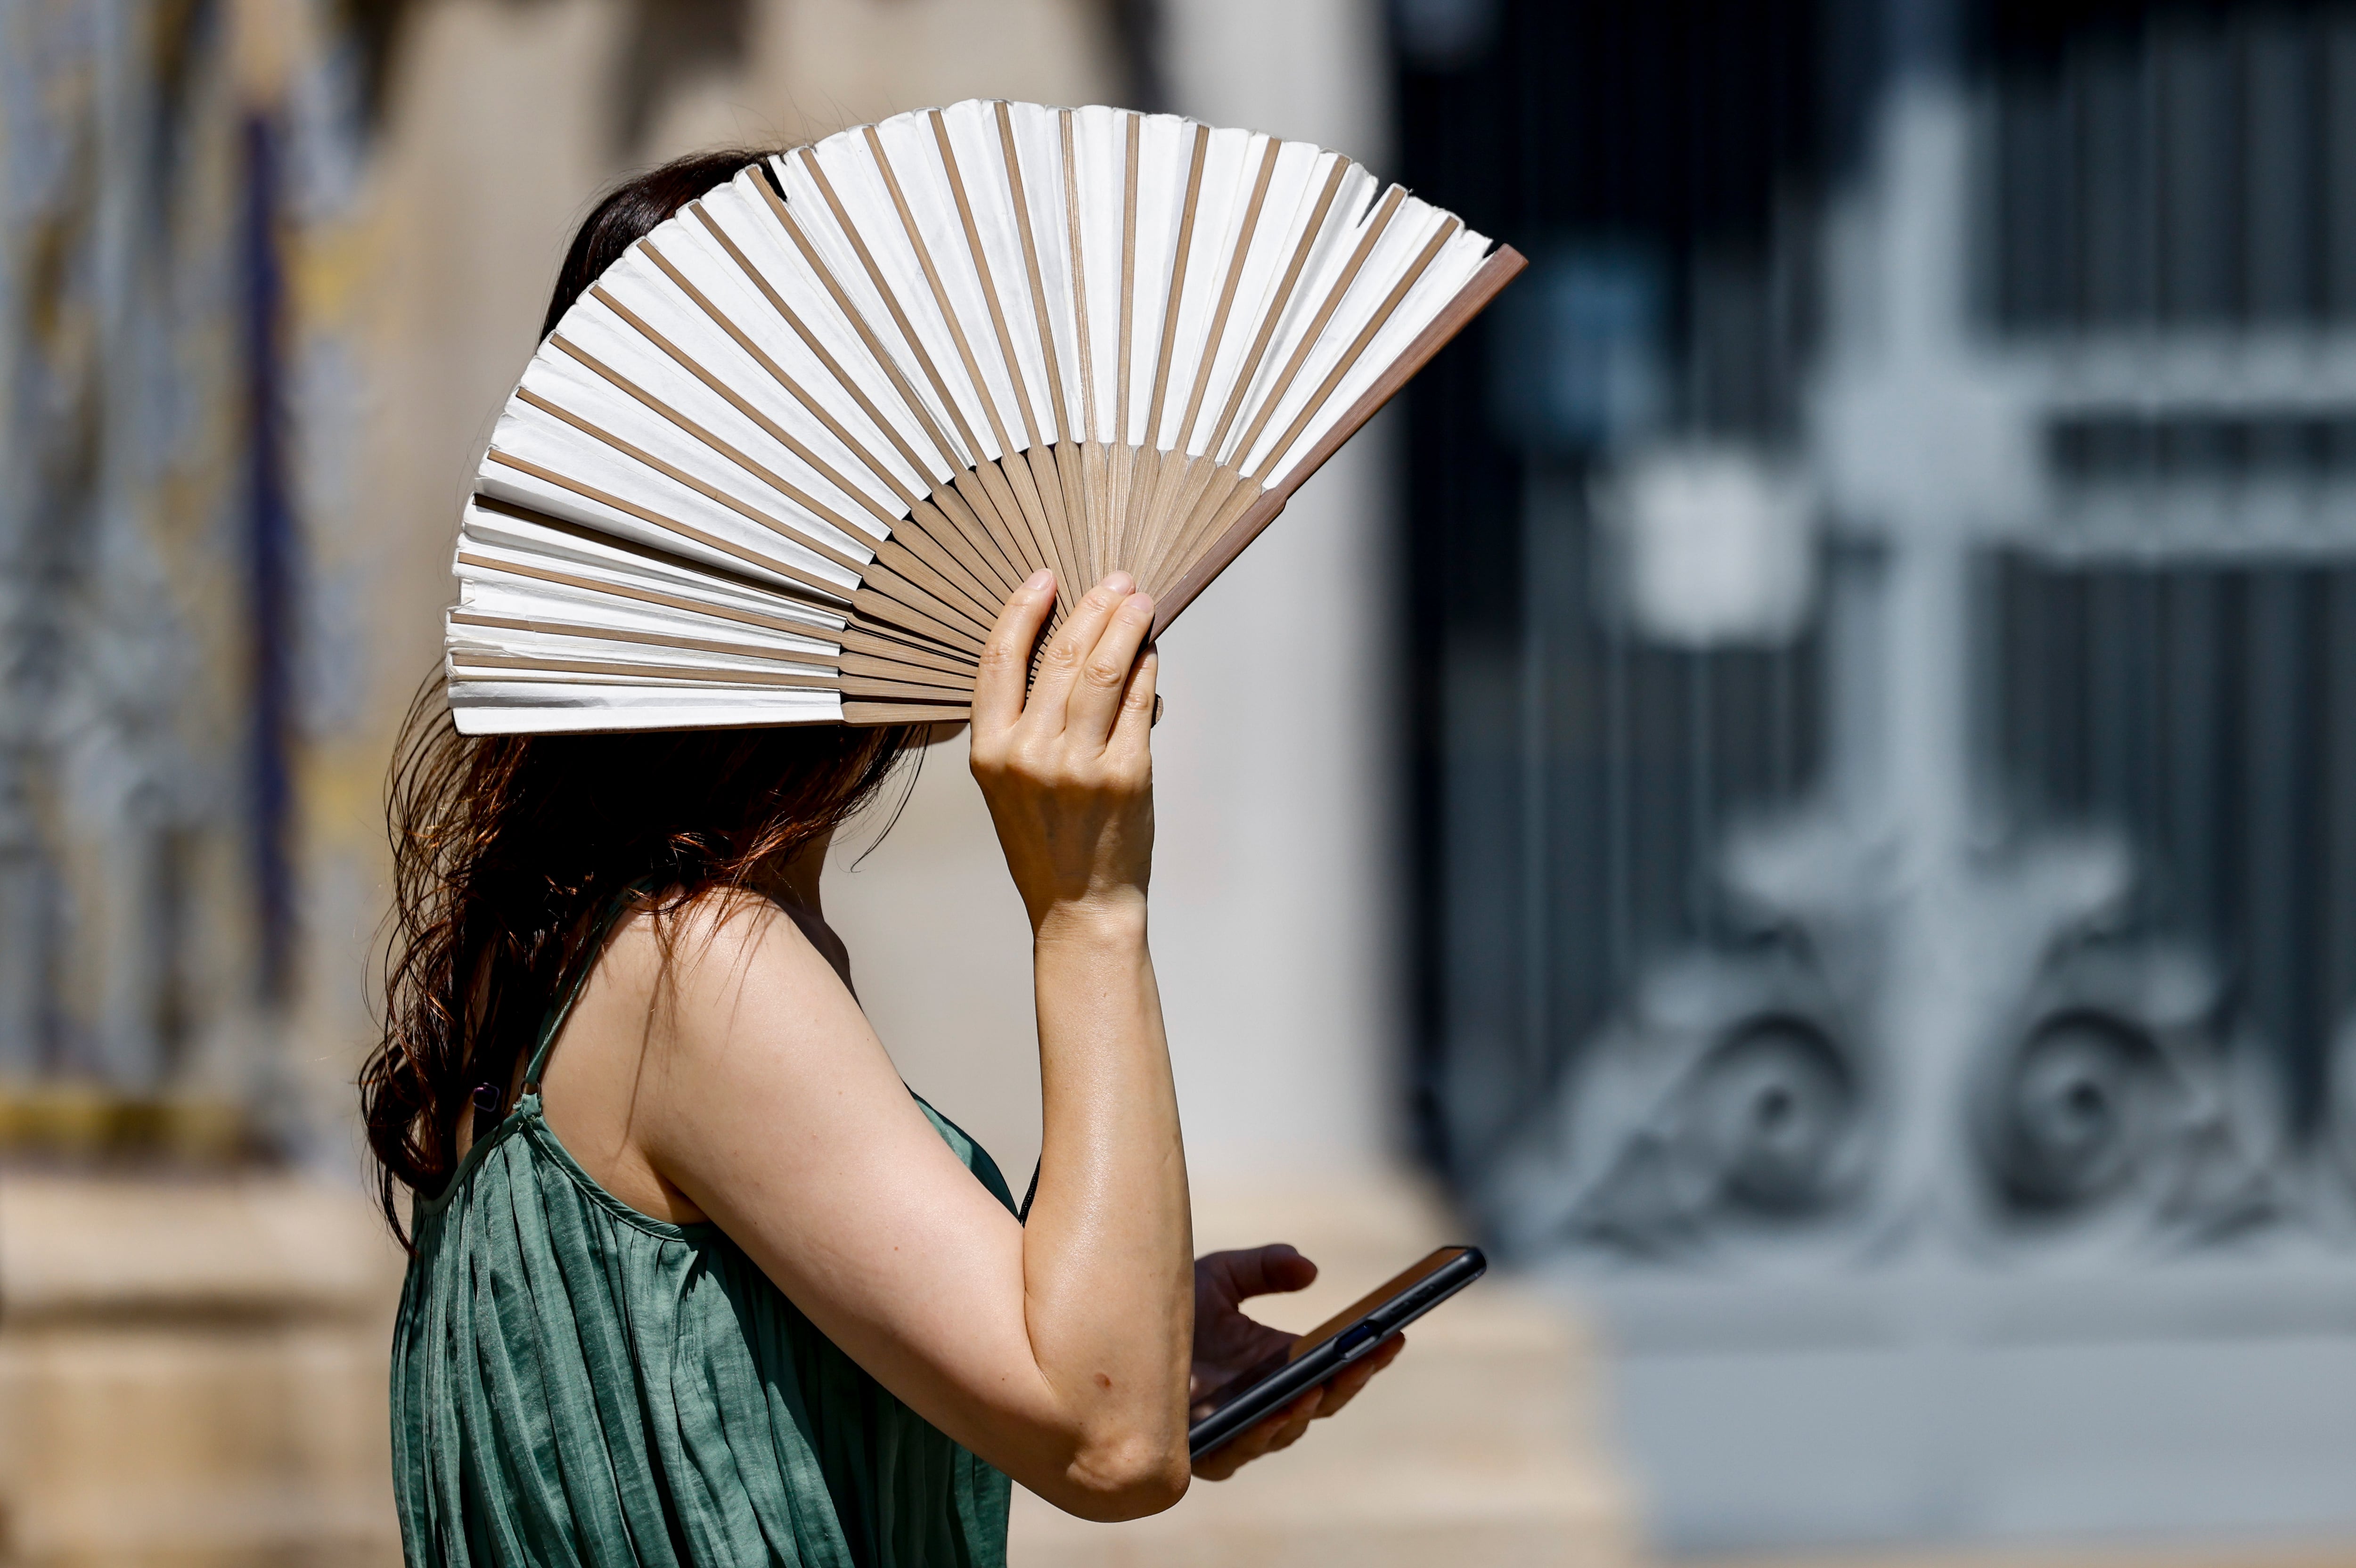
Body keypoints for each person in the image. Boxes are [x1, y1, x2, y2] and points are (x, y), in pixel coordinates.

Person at [360, 149, 1402, 1568]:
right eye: (937, 463)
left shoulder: (575, 940)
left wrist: (1118, 1326)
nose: (997, 515)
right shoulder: (703, 970)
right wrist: (1088, 903)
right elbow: (1111, 1445)